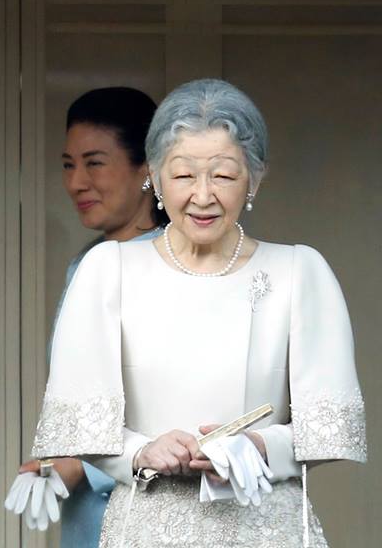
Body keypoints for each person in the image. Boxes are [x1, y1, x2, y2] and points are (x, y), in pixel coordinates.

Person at [30, 78, 366, 547]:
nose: (203, 196)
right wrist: (141, 450)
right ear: (154, 176)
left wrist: (258, 446)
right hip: (147, 527)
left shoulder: (299, 271)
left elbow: (332, 428)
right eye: (184, 176)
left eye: (223, 176)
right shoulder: (107, 270)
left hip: (266, 529)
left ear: (255, 177)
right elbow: (76, 423)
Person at [19, 87, 165, 546]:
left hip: (150, 509)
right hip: (86, 518)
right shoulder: (87, 263)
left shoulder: (170, 266)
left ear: (146, 168)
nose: (76, 182)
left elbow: (180, 404)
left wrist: (82, 467)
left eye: (94, 163)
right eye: (68, 165)